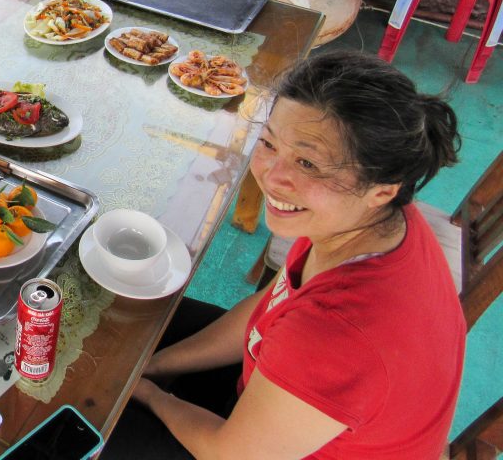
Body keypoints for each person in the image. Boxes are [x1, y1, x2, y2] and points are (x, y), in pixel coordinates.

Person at [102, 50, 465, 460]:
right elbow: (269, 308)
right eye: (270, 143)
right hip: (278, 399)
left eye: (307, 163)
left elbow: (231, 453)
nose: (273, 178)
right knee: (120, 311)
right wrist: (157, 365)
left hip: (252, 448)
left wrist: (149, 394)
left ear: (381, 189)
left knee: (68, 433)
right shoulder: (368, 222)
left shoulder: (338, 332)